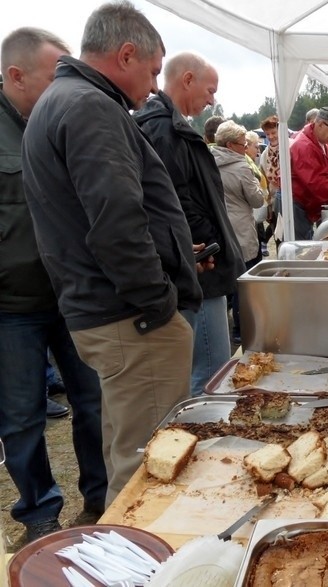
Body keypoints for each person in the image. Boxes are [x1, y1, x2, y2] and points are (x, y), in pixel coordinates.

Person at [21, 1, 203, 506]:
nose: (151, 87)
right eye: (150, 71)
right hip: (131, 316)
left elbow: (98, 216)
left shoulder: (65, 101)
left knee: (128, 447)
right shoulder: (89, 107)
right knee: (147, 465)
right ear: (126, 54)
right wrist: (158, 300)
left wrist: (170, 251)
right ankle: (142, 563)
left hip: (108, 309)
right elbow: (115, 223)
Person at [1, 26, 107, 543]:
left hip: (73, 297)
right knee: (21, 418)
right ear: (16, 75)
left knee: (93, 400)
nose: (66, 84)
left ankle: (103, 497)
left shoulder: (68, 118)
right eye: (53, 76)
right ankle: (40, 514)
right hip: (11, 306)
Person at [134, 51, 245, 397]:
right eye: (210, 91)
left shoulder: (169, 126)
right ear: (187, 80)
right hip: (199, 267)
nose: (212, 100)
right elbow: (174, 204)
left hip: (197, 262)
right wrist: (207, 244)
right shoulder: (163, 130)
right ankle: (206, 441)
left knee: (207, 367)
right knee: (210, 373)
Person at [213, 120, 265, 342]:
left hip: (220, 227)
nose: (246, 148)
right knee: (245, 282)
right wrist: (260, 190)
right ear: (231, 144)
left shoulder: (209, 162)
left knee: (228, 279)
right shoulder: (242, 166)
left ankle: (231, 329)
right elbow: (256, 200)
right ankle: (244, 331)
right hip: (241, 228)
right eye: (244, 144)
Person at [288, 106, 328, 239]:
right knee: (302, 249)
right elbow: (318, 184)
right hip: (296, 205)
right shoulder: (303, 146)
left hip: (308, 203)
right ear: (320, 124)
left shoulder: (324, 142)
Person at [259, 115, 281, 243]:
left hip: (293, 201)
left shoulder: (291, 147)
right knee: (279, 238)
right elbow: (264, 183)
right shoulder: (264, 155)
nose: (271, 136)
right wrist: (268, 208)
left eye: (273, 132)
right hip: (274, 203)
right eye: (268, 134)